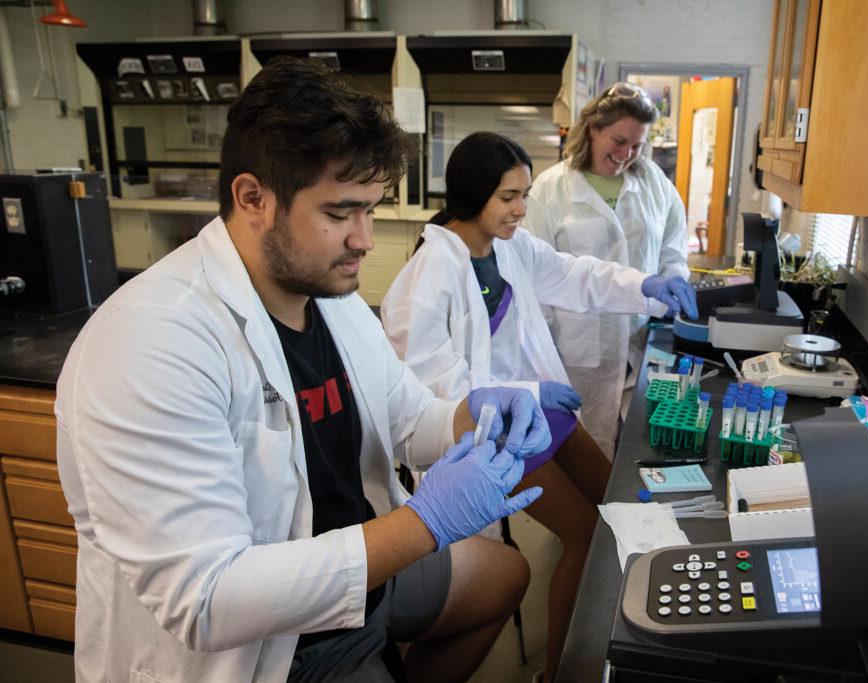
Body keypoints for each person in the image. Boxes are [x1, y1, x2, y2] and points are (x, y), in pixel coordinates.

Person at [55, 58, 554, 683]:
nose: (365, 240)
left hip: (359, 565)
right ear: (253, 198)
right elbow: (206, 599)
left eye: (371, 210)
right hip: (267, 642)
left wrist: (470, 414)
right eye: (341, 213)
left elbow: (406, 417)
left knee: (504, 574)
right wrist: (425, 524)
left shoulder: (331, 301)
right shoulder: (153, 342)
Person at [381, 132, 696, 682]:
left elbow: (574, 274)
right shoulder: (427, 277)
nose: (522, 209)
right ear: (471, 195)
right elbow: (428, 388)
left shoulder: (510, 248)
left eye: (524, 194)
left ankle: (617, 644)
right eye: (508, 197)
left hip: (538, 408)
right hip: (494, 432)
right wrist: (523, 396)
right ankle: (562, 672)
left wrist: (646, 284)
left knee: (617, 505)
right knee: (584, 534)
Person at [523, 81, 698, 459]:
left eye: (636, 145)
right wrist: (542, 359)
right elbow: (533, 280)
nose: (626, 154)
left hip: (642, 341)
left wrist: (674, 282)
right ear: (593, 129)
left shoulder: (654, 183)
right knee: (586, 458)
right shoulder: (550, 190)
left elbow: (671, 250)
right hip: (578, 351)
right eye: (618, 141)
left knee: (638, 453)